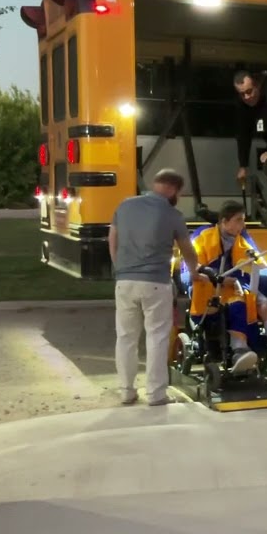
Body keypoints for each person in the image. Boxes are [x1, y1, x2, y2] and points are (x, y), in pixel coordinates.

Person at [186, 200, 267, 376]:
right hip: (210, 283)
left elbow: (258, 263)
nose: (242, 225)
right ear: (224, 222)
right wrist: (215, 276)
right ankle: (239, 351)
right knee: (238, 303)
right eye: (238, 220)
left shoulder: (242, 240)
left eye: (243, 220)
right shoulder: (203, 237)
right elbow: (192, 264)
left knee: (264, 303)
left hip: (238, 282)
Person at [108, 169, 199, 406]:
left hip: (125, 281)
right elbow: (187, 249)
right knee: (157, 337)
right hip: (156, 283)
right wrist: (195, 271)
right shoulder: (172, 214)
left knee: (126, 337)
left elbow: (113, 239)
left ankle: (127, 391)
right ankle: (156, 394)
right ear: (172, 189)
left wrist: (120, 267)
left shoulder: (125, 206)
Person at [233, 70, 267, 184]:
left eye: (249, 91)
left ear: (257, 85)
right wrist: (243, 166)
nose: (246, 97)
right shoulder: (242, 105)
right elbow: (243, 135)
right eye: (242, 94)